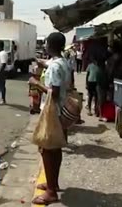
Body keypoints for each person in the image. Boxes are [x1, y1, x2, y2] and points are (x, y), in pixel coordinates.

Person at [28, 32, 71, 205]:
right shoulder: (63, 62)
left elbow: (54, 93)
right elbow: (51, 65)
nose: (44, 46)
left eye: (46, 44)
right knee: (56, 149)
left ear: (50, 45)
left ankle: (51, 192)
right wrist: (41, 62)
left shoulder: (54, 67)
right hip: (62, 111)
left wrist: (35, 82)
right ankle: (53, 183)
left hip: (53, 112)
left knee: (47, 150)